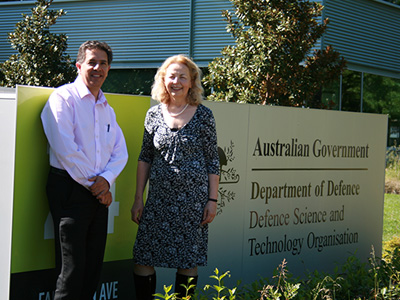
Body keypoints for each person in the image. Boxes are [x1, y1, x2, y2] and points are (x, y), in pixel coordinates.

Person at [41, 40, 128, 300]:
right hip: (69, 191)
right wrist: (98, 185)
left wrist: (106, 180)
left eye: (103, 63)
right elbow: (65, 149)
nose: (97, 68)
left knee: (91, 271)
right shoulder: (62, 98)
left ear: (109, 69)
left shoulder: (107, 109)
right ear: (79, 65)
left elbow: (119, 151)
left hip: (97, 194)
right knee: (71, 271)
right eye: (92, 62)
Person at [131, 54, 220, 300]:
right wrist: (139, 198)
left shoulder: (204, 116)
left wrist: (212, 201)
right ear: (163, 80)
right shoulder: (153, 115)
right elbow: (145, 158)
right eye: (171, 76)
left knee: (188, 259)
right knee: (143, 256)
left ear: (192, 82)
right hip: (157, 201)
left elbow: (213, 160)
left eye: (183, 76)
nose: (176, 81)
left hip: (193, 202)